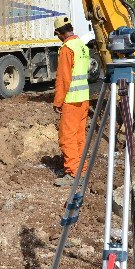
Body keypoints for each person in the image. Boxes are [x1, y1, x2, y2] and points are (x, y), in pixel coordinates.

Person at [52, 16, 91, 187]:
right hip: (84, 99)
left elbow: (63, 79)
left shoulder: (67, 48)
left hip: (72, 100)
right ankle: (81, 169)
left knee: (67, 137)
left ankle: (73, 172)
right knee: (79, 137)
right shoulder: (82, 45)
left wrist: (58, 101)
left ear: (59, 33)